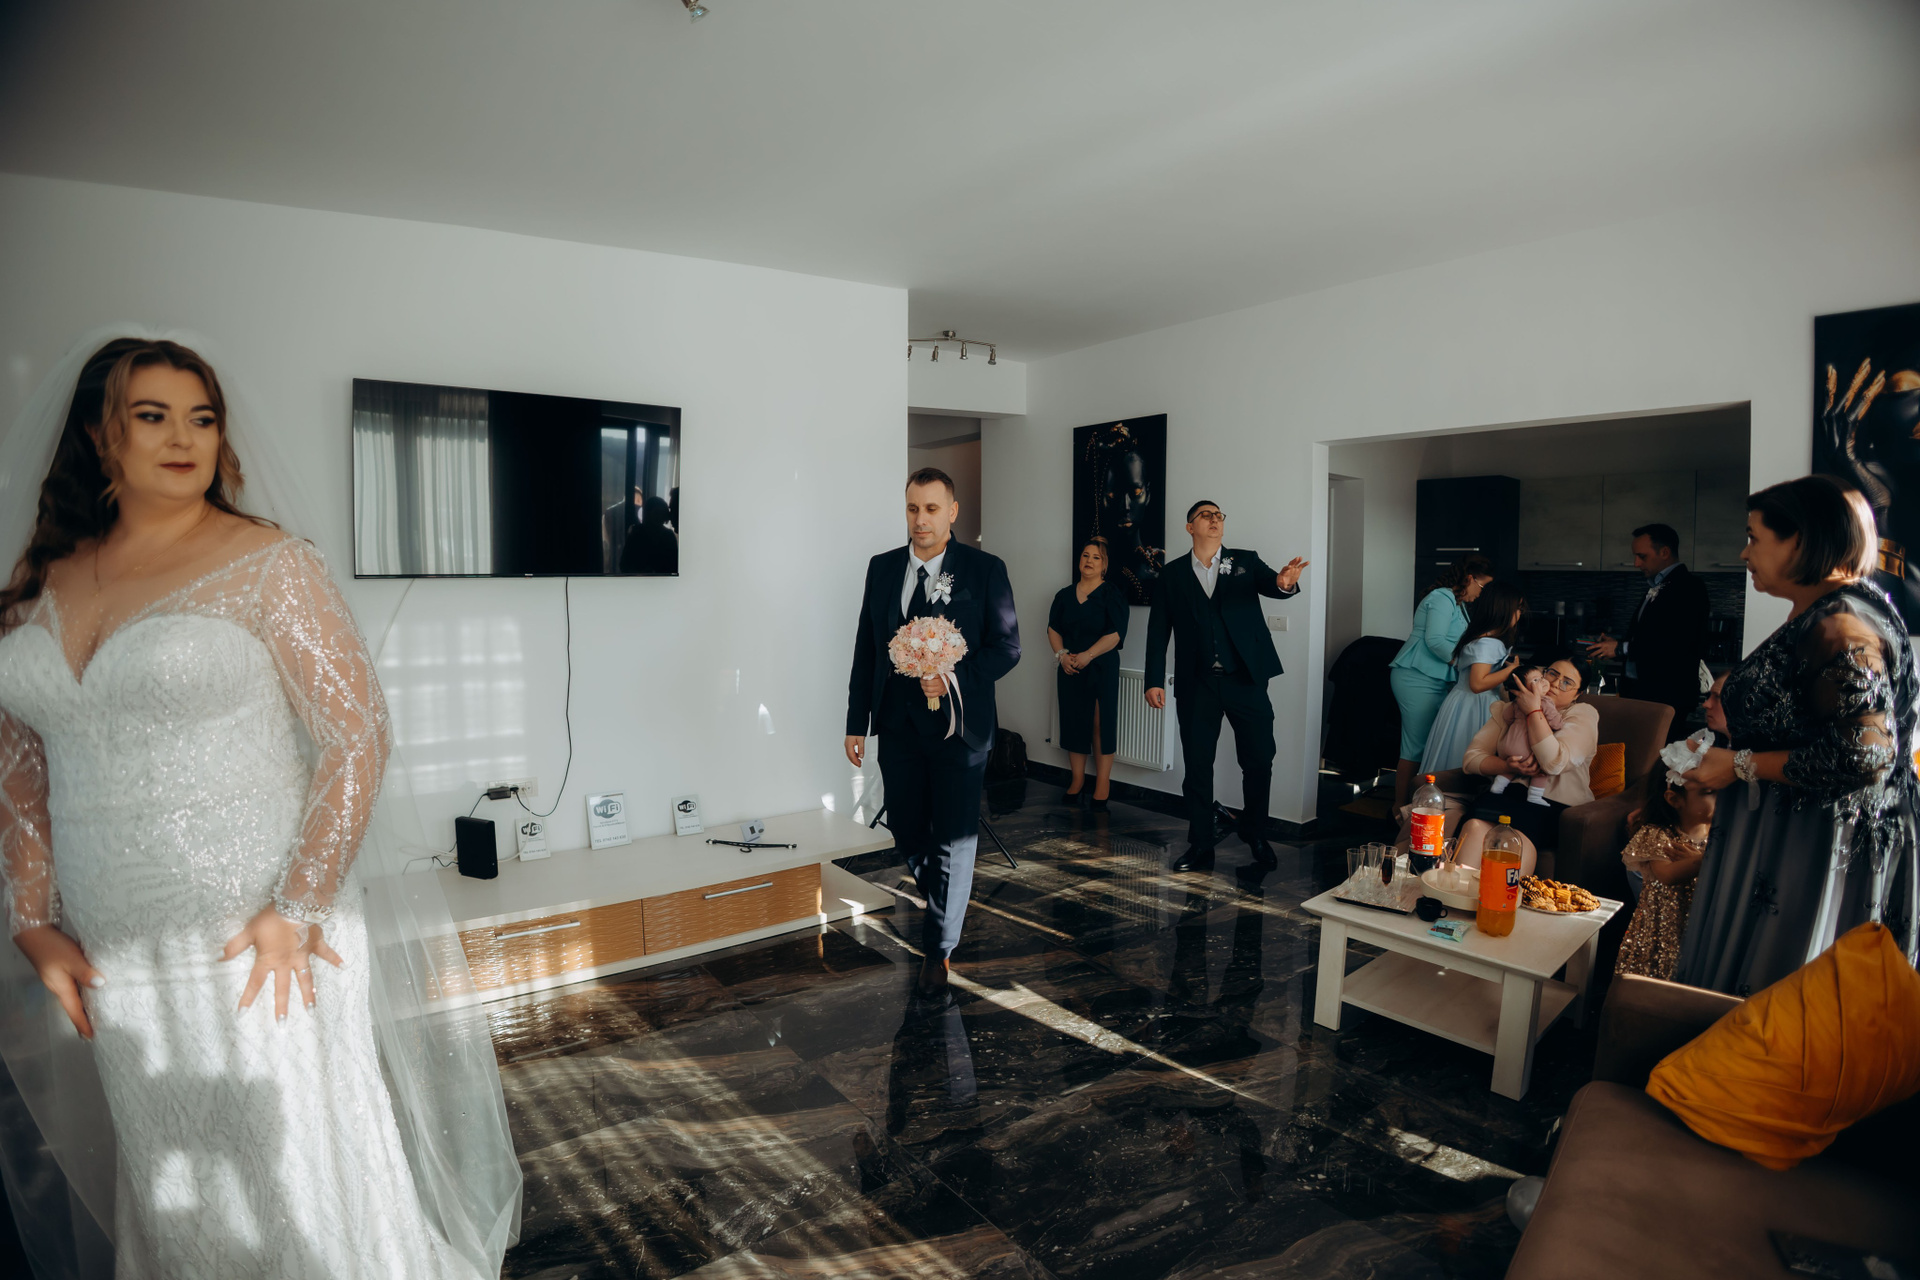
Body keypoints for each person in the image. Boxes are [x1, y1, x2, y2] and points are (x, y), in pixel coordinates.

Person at [0, 338, 485, 1277]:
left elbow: (357, 735)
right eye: (152, 416)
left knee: (296, 1177)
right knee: (177, 1185)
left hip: (261, 935)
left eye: (201, 417)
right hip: (117, 949)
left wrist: (296, 907)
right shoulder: (42, 582)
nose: (183, 438)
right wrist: (31, 919)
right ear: (99, 435)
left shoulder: (267, 563)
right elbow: (21, 769)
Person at [1675, 476, 1919, 996]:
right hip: (1790, 835)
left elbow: (1866, 754)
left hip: (1815, 849)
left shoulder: (1842, 625)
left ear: (1801, 540)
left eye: (1754, 537)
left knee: (1781, 1004)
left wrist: (1738, 765)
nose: (1744, 553)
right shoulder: (1831, 610)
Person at [846, 467, 1020, 997]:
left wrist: (951, 676)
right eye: (912, 509)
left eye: (931, 509)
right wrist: (856, 722)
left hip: (959, 730)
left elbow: (1007, 648)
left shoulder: (984, 569)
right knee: (905, 826)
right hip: (897, 726)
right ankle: (946, 895)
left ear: (952, 512)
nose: (920, 520)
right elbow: (867, 649)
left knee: (954, 838)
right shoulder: (881, 568)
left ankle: (939, 948)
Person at [1143, 500, 1307, 873]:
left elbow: (1274, 584)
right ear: (1190, 527)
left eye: (1219, 515)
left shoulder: (1244, 561)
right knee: (1198, 767)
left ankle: (1255, 832)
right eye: (1206, 515)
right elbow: (1158, 630)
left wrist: (1285, 584)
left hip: (1245, 679)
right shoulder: (1172, 574)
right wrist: (1154, 680)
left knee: (1259, 759)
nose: (1215, 519)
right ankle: (1200, 842)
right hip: (1197, 683)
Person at [1454, 652, 1601, 877]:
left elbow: (1554, 763)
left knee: (1515, 841)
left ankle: (1503, 897)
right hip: (1507, 794)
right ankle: (1457, 894)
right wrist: (1507, 767)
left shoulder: (1582, 714)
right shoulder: (1510, 708)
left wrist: (1534, 710)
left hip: (1552, 804)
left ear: (1577, 694)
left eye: (1567, 682)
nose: (1555, 683)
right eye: (1552, 674)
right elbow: (1471, 759)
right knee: (1474, 826)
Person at [1387, 554, 1494, 812]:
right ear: (1470, 578)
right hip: (1417, 677)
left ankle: (1419, 804)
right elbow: (1435, 641)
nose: (1481, 594)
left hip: (1434, 678)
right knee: (1416, 746)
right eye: (1482, 586)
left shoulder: (1457, 603)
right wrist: (1466, 663)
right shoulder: (1442, 597)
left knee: (1428, 743)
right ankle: (1399, 808)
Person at [1586, 523, 1710, 741]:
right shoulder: (1658, 585)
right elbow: (1653, 635)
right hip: (1641, 693)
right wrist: (1618, 643)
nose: (1636, 564)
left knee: (1656, 756)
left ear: (1664, 552)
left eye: (1642, 556)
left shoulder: (1689, 587)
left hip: (1666, 695)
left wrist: (1621, 648)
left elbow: (1676, 643)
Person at [1047, 537, 1129, 810]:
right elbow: (1053, 629)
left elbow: (1116, 634)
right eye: (1085, 555)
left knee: (1099, 724)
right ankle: (1077, 780)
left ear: (1104, 565)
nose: (1089, 561)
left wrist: (1088, 655)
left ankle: (1103, 784)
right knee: (1074, 722)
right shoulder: (1063, 595)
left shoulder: (1112, 594)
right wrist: (1062, 655)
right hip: (1070, 668)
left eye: (1096, 557)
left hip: (1101, 667)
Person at [1416, 583, 1526, 777]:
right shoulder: (1487, 643)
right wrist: (1512, 671)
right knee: (1465, 756)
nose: (1520, 613)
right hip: (1474, 705)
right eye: (1518, 608)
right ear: (1503, 609)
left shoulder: (1481, 637)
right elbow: (1477, 684)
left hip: (1462, 703)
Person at [1615, 776, 1716, 981]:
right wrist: (1706, 860)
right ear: (1674, 799)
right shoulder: (1658, 834)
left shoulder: (1718, 837)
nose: (1721, 798)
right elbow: (1667, 875)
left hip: (1698, 929)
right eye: (1709, 793)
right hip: (1661, 933)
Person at [1486, 666, 1564, 806]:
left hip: (1507, 746)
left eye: (1541, 677)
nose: (1543, 681)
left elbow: (1507, 717)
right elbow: (1556, 724)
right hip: (1525, 748)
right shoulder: (1545, 702)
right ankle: (1534, 796)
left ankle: (1497, 786)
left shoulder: (1516, 703)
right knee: (1542, 769)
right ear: (1522, 688)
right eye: (1535, 680)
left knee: (1512, 768)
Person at [619, 492, 679, 573]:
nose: (659, 516)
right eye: (657, 513)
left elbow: (624, 565)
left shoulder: (636, 533)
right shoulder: (668, 536)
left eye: (661, 513)